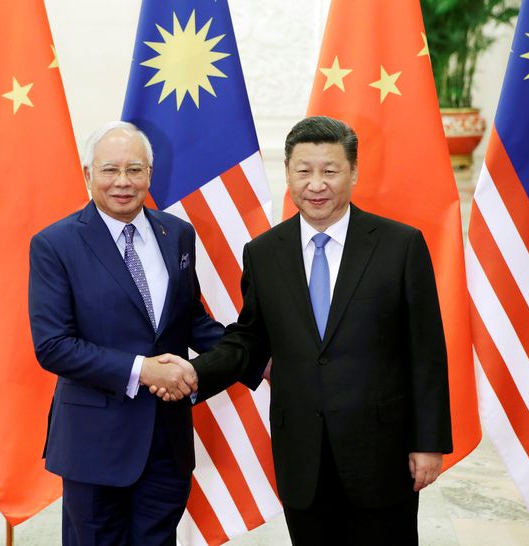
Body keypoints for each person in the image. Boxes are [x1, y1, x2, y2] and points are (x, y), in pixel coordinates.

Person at [158, 116, 452, 545]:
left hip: (381, 452)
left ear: (353, 172)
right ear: (288, 174)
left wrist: (428, 443)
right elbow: (250, 338)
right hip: (301, 454)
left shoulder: (400, 245)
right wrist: (194, 372)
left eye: (330, 171)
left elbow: (426, 351)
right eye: (304, 171)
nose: (316, 184)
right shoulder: (263, 253)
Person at [27, 121, 220, 545]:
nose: (123, 181)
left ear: (150, 173)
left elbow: (190, 320)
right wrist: (142, 370)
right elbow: (54, 346)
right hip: (94, 446)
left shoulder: (177, 234)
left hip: (167, 443)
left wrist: (257, 358)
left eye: (134, 169)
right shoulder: (55, 244)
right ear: (88, 174)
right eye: (110, 169)